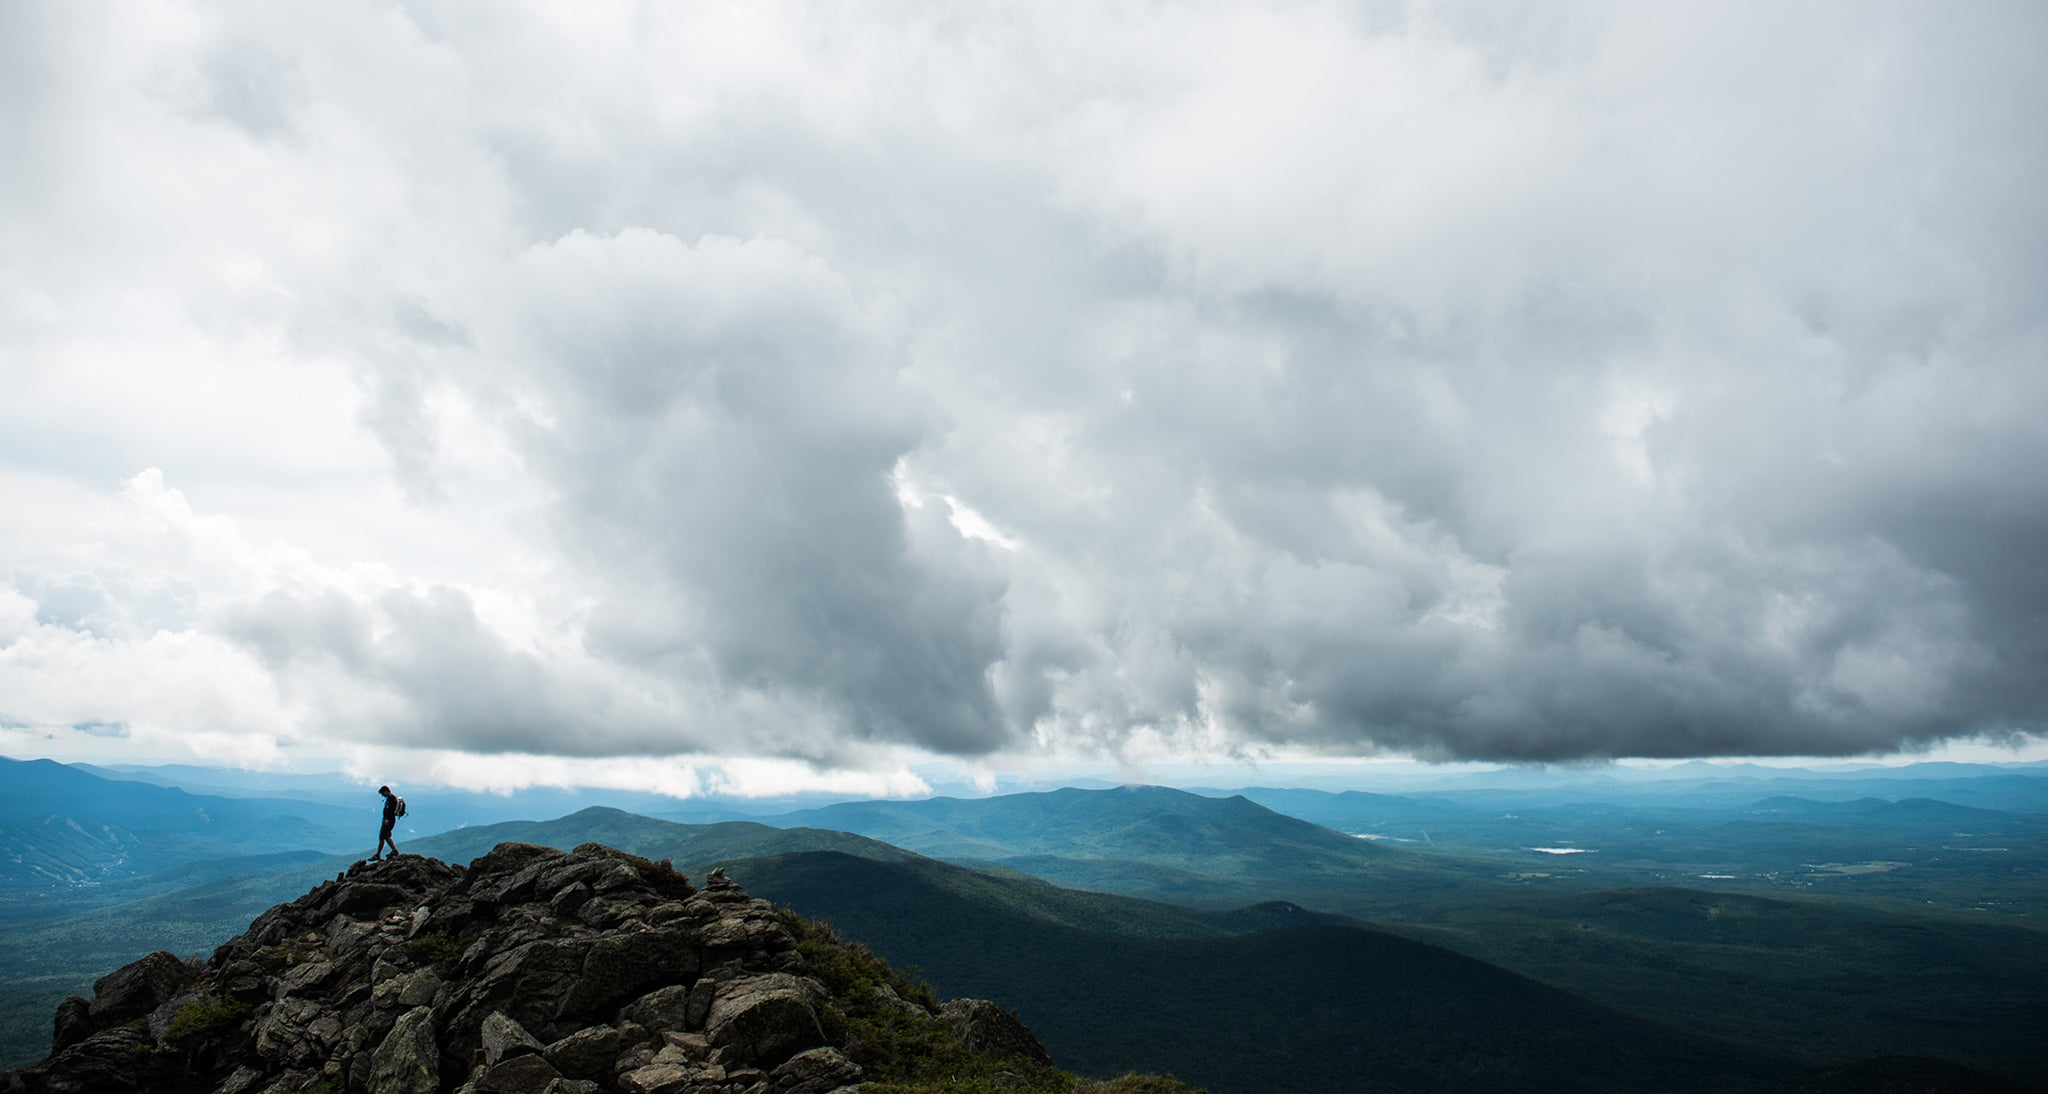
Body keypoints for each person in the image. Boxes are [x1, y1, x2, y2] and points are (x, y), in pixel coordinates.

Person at [373, 785, 401, 861]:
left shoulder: (391, 798)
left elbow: (391, 810)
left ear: (385, 791)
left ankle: (394, 851)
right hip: (387, 820)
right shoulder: (390, 798)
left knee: (385, 836)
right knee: (382, 836)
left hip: (389, 821)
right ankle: (378, 854)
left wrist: (387, 819)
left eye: (383, 793)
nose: (382, 795)